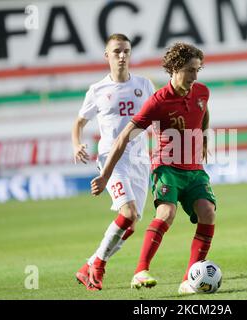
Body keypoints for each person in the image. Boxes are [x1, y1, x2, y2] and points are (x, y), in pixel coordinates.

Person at [90, 42, 216, 295]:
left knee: (208, 213)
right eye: (191, 70)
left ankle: (189, 279)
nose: (195, 76)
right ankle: (140, 271)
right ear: (175, 69)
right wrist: (105, 175)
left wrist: (202, 138)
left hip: (194, 170)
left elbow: (204, 112)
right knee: (166, 213)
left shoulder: (201, 92)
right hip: (167, 167)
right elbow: (124, 135)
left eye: (197, 70)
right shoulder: (158, 102)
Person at [71, 33, 155, 291]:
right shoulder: (97, 90)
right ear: (107, 55)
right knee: (127, 213)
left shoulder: (144, 84)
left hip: (140, 161)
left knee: (131, 222)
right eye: (117, 51)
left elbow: (158, 119)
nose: (122, 55)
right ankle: (99, 266)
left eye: (126, 51)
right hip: (112, 159)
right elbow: (80, 122)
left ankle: (90, 264)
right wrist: (77, 144)